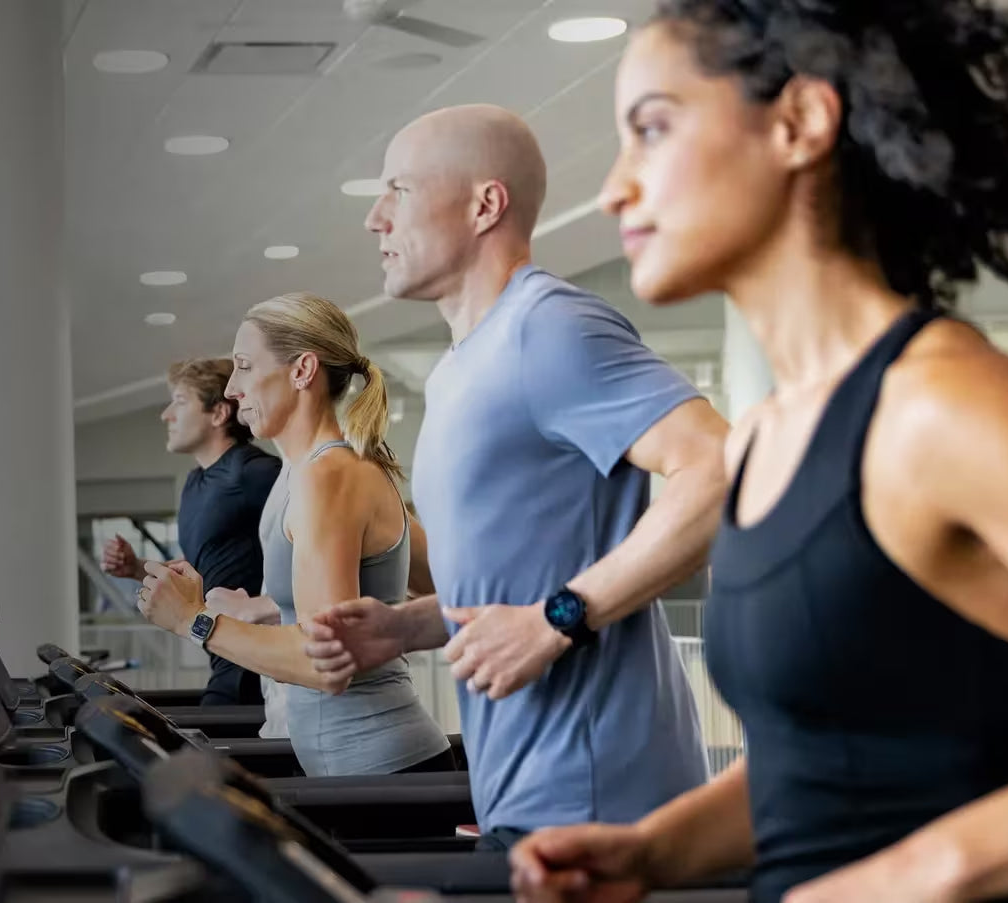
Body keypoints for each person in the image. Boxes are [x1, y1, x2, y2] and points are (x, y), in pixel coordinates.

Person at [506, 2, 1008, 901]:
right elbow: (828, 759)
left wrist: (921, 872)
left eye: (651, 129)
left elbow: (907, 841)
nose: (615, 187)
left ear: (799, 123)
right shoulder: (766, 431)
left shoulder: (944, 404)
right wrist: (653, 848)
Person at [301, 103, 732, 848]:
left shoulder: (549, 327)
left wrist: (555, 619)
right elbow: (527, 568)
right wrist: (411, 625)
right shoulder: (462, 367)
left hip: (598, 797)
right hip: (523, 791)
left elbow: (723, 469)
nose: (375, 218)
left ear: (485, 204)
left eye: (397, 190)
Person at [136, 292, 453, 776]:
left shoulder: (329, 475)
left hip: (384, 772)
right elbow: (447, 581)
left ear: (302, 371)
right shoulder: (303, 471)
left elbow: (321, 663)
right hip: (356, 769)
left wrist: (194, 621)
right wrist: (259, 608)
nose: (234, 389)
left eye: (244, 366)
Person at [101, 358, 281, 706]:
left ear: (218, 414)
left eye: (181, 402)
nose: (166, 414)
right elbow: (212, 563)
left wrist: (264, 607)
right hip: (222, 656)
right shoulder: (195, 482)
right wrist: (138, 568)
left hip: (256, 667)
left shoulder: (253, 473)